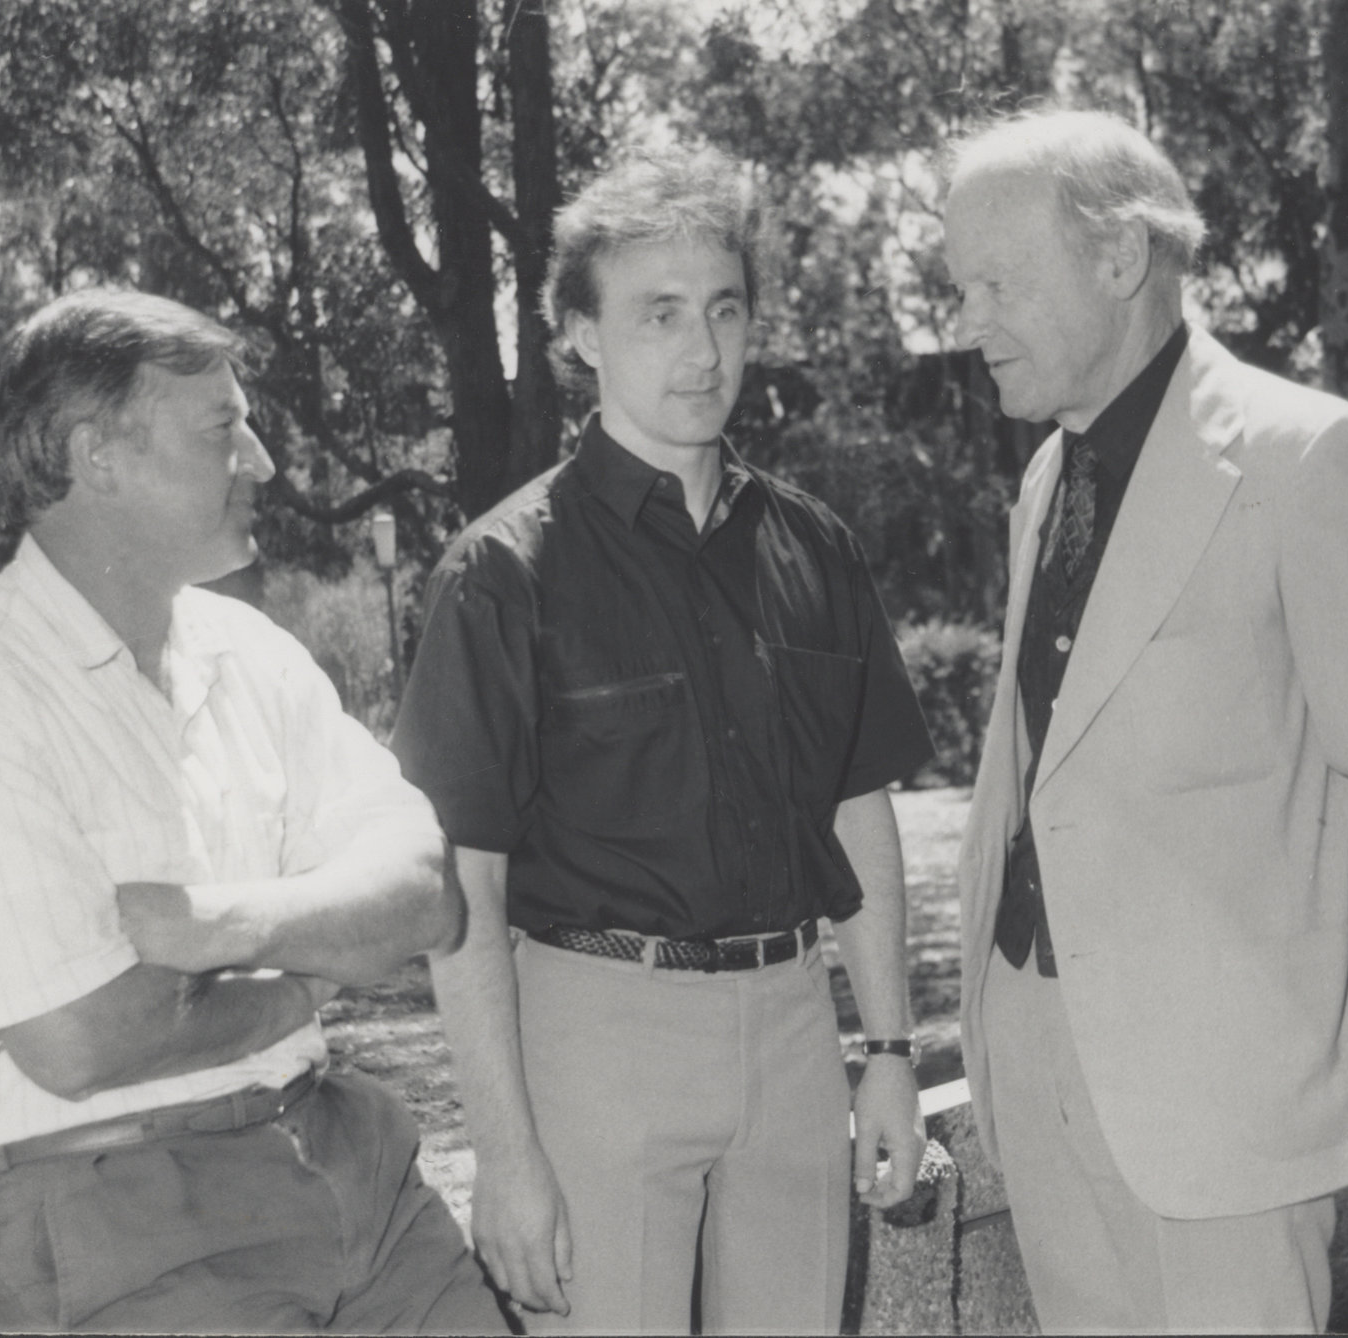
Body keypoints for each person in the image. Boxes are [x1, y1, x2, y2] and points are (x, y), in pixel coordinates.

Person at [0, 289, 506, 1334]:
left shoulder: (251, 655)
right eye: (221, 427)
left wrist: (215, 927)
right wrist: (315, 973)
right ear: (97, 455)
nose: (263, 462)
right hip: (116, 1222)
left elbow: (423, 890)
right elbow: (80, 1042)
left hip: (356, 1179)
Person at [941, 109, 1348, 1333]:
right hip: (1039, 1066)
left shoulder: (1308, 457)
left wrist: (1306, 1003)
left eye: (997, 284)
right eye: (959, 287)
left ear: (1120, 257)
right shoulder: (1046, 477)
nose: (967, 322)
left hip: (1237, 1103)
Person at [390, 148, 936, 1335]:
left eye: (724, 311)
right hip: (599, 1035)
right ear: (581, 334)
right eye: (659, 314)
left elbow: (857, 807)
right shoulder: (501, 574)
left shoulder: (814, 548)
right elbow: (463, 891)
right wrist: (507, 1156)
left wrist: (889, 1050)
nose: (702, 352)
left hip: (793, 1031)